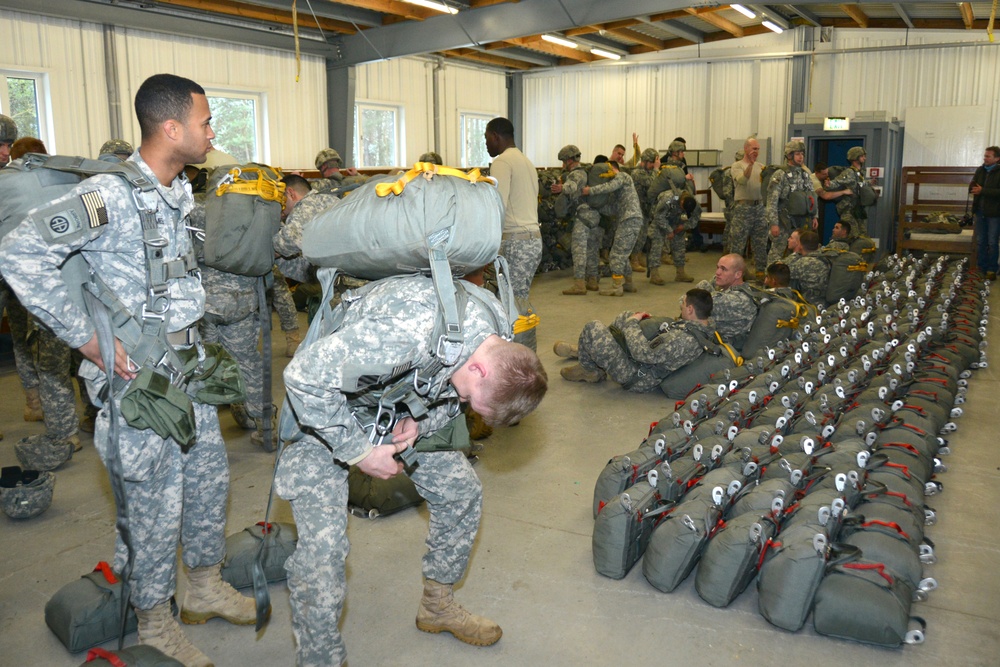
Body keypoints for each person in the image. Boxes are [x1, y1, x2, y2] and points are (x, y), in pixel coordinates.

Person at [0, 73, 256, 666]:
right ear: (172, 129)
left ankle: (204, 584)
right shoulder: (110, 195)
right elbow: (18, 253)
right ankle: (155, 620)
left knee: (207, 485)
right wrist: (86, 338)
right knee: (151, 505)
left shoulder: (179, 190)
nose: (211, 131)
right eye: (205, 122)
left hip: (187, 373)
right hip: (137, 385)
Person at [275, 273, 547, 666]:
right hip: (324, 412)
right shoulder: (406, 330)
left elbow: (445, 393)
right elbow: (303, 379)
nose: (464, 403)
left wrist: (421, 421)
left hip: (395, 407)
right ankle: (320, 659)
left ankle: (437, 605)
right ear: (481, 370)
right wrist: (359, 452)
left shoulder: (494, 332)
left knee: (461, 494)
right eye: (471, 397)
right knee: (324, 551)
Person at [552, 288, 719, 392]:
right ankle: (590, 351)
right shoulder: (702, 327)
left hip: (636, 375)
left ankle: (589, 370)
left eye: (683, 304)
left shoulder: (681, 340)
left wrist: (633, 322)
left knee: (593, 327)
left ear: (690, 309)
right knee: (625, 315)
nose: (681, 306)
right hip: (644, 362)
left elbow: (642, 353)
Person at [484, 117, 541, 303]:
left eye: (486, 139)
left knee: (508, 305)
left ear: (495, 136)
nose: (486, 144)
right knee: (517, 300)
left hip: (516, 243)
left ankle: (514, 333)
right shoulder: (526, 162)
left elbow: (498, 206)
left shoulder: (503, 162)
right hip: (532, 241)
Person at [582, 160, 643, 296]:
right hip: (629, 220)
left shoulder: (623, 176)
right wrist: (595, 206)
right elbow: (612, 209)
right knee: (623, 254)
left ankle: (617, 287)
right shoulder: (619, 192)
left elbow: (610, 186)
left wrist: (590, 191)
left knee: (615, 255)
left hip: (630, 220)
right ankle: (628, 283)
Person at [551, 144, 601, 295]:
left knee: (579, 249)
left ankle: (579, 283)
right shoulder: (586, 172)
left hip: (582, 216)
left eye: (564, 161)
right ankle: (592, 280)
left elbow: (571, 187)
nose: (563, 165)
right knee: (592, 249)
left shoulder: (576, 174)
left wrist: (561, 188)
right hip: (594, 216)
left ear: (569, 160)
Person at [765, 140, 817, 266]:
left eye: (802, 154)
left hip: (800, 221)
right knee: (776, 253)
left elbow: (811, 197)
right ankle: (770, 279)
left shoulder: (805, 174)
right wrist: (773, 224)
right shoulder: (780, 174)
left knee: (797, 253)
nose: (801, 157)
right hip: (783, 221)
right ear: (789, 155)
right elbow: (772, 201)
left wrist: (814, 216)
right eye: (797, 154)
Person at [695, 253, 757, 348]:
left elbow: (689, 305)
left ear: (738, 274)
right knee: (703, 285)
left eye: (723, 269)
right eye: (718, 267)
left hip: (722, 347)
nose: (717, 272)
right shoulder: (741, 287)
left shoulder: (734, 300)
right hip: (716, 339)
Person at [729, 137, 767, 281]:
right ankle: (734, 275)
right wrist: (750, 166)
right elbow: (742, 181)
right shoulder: (737, 166)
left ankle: (760, 273)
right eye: (753, 148)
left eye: (758, 149)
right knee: (738, 243)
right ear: (746, 149)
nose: (756, 152)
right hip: (743, 209)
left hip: (759, 208)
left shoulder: (762, 167)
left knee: (760, 243)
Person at [648, 190, 699, 284]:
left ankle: (680, 274)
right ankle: (654, 275)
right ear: (682, 201)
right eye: (682, 207)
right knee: (657, 247)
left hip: (676, 223)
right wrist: (669, 230)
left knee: (680, 247)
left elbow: (696, 218)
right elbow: (658, 216)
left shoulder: (693, 203)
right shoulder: (668, 199)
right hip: (660, 223)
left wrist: (684, 226)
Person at [824, 146, 875, 229]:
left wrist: (869, 183)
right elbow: (837, 182)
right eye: (862, 156)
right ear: (855, 157)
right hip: (849, 210)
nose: (864, 158)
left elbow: (859, 185)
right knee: (849, 234)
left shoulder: (859, 173)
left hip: (858, 209)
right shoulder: (849, 172)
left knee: (861, 234)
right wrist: (828, 184)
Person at [970, 145, 1000, 280]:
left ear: (997, 158)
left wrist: (983, 191)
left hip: (995, 213)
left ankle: (992, 270)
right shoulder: (980, 170)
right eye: (985, 156)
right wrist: (972, 188)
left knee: (993, 242)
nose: (985, 158)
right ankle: (981, 268)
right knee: (981, 241)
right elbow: (974, 185)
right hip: (980, 211)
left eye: (988, 156)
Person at [628, 147, 659, 272]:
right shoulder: (637, 173)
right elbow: (654, 183)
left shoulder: (649, 172)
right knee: (637, 236)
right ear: (645, 161)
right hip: (636, 210)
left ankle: (639, 256)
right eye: (652, 163)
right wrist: (657, 170)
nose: (653, 166)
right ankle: (633, 260)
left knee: (643, 236)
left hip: (645, 210)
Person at [786, 230, 829, 306]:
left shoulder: (801, 263)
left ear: (800, 245)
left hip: (807, 305)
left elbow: (782, 274)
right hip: (825, 304)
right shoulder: (826, 259)